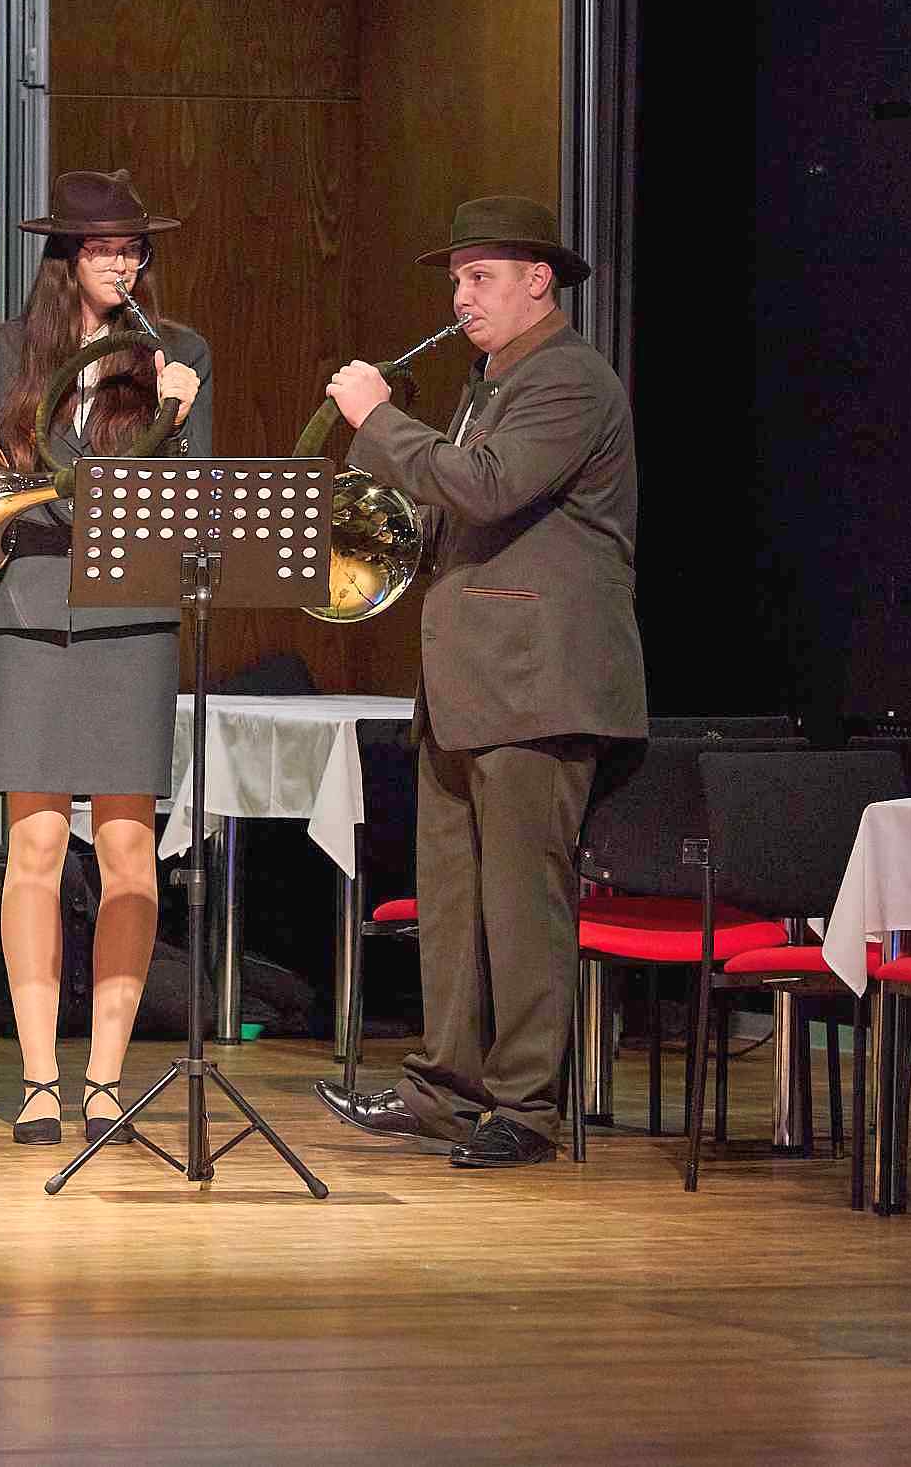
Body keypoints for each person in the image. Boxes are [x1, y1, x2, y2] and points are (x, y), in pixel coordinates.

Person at [314, 196, 645, 1168]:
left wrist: (378, 420)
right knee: (453, 905)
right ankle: (443, 1087)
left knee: (522, 906)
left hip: (535, 686)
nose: (461, 297)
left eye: (480, 277)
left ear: (538, 280)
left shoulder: (567, 379)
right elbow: (457, 507)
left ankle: (525, 1106)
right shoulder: (489, 381)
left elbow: (488, 485)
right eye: (457, 279)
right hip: (468, 686)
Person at [0, 170, 209, 1146]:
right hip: (31, 610)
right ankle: (37, 1077)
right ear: (65, 257)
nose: (123, 263)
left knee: (127, 851)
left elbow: (190, 505)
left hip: (130, 618)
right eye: (104, 248)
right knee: (31, 848)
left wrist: (175, 418)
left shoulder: (178, 353)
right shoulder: (0, 352)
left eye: (134, 249)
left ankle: (104, 1078)